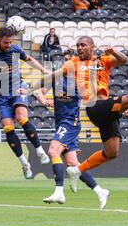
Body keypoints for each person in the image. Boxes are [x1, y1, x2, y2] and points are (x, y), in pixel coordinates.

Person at [22, 37, 128, 193]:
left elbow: (124, 60)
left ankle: (78, 170)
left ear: (92, 47)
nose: (79, 48)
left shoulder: (103, 60)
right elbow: (50, 77)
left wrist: (113, 52)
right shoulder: (73, 63)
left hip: (107, 110)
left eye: (83, 45)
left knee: (112, 153)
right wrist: (29, 90)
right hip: (94, 106)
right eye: (77, 45)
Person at [0, 27, 51, 178]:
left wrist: (43, 70)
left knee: (21, 118)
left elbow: (29, 59)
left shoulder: (15, 49)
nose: (8, 45)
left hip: (18, 88)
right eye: (6, 42)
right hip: (1, 95)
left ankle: (40, 151)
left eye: (10, 42)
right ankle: (24, 164)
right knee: (8, 127)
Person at [32, 77, 110, 209]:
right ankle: (100, 191)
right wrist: (44, 101)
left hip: (70, 123)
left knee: (53, 151)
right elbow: (39, 92)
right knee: (73, 164)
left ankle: (59, 191)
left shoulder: (79, 81)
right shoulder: (56, 78)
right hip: (62, 123)